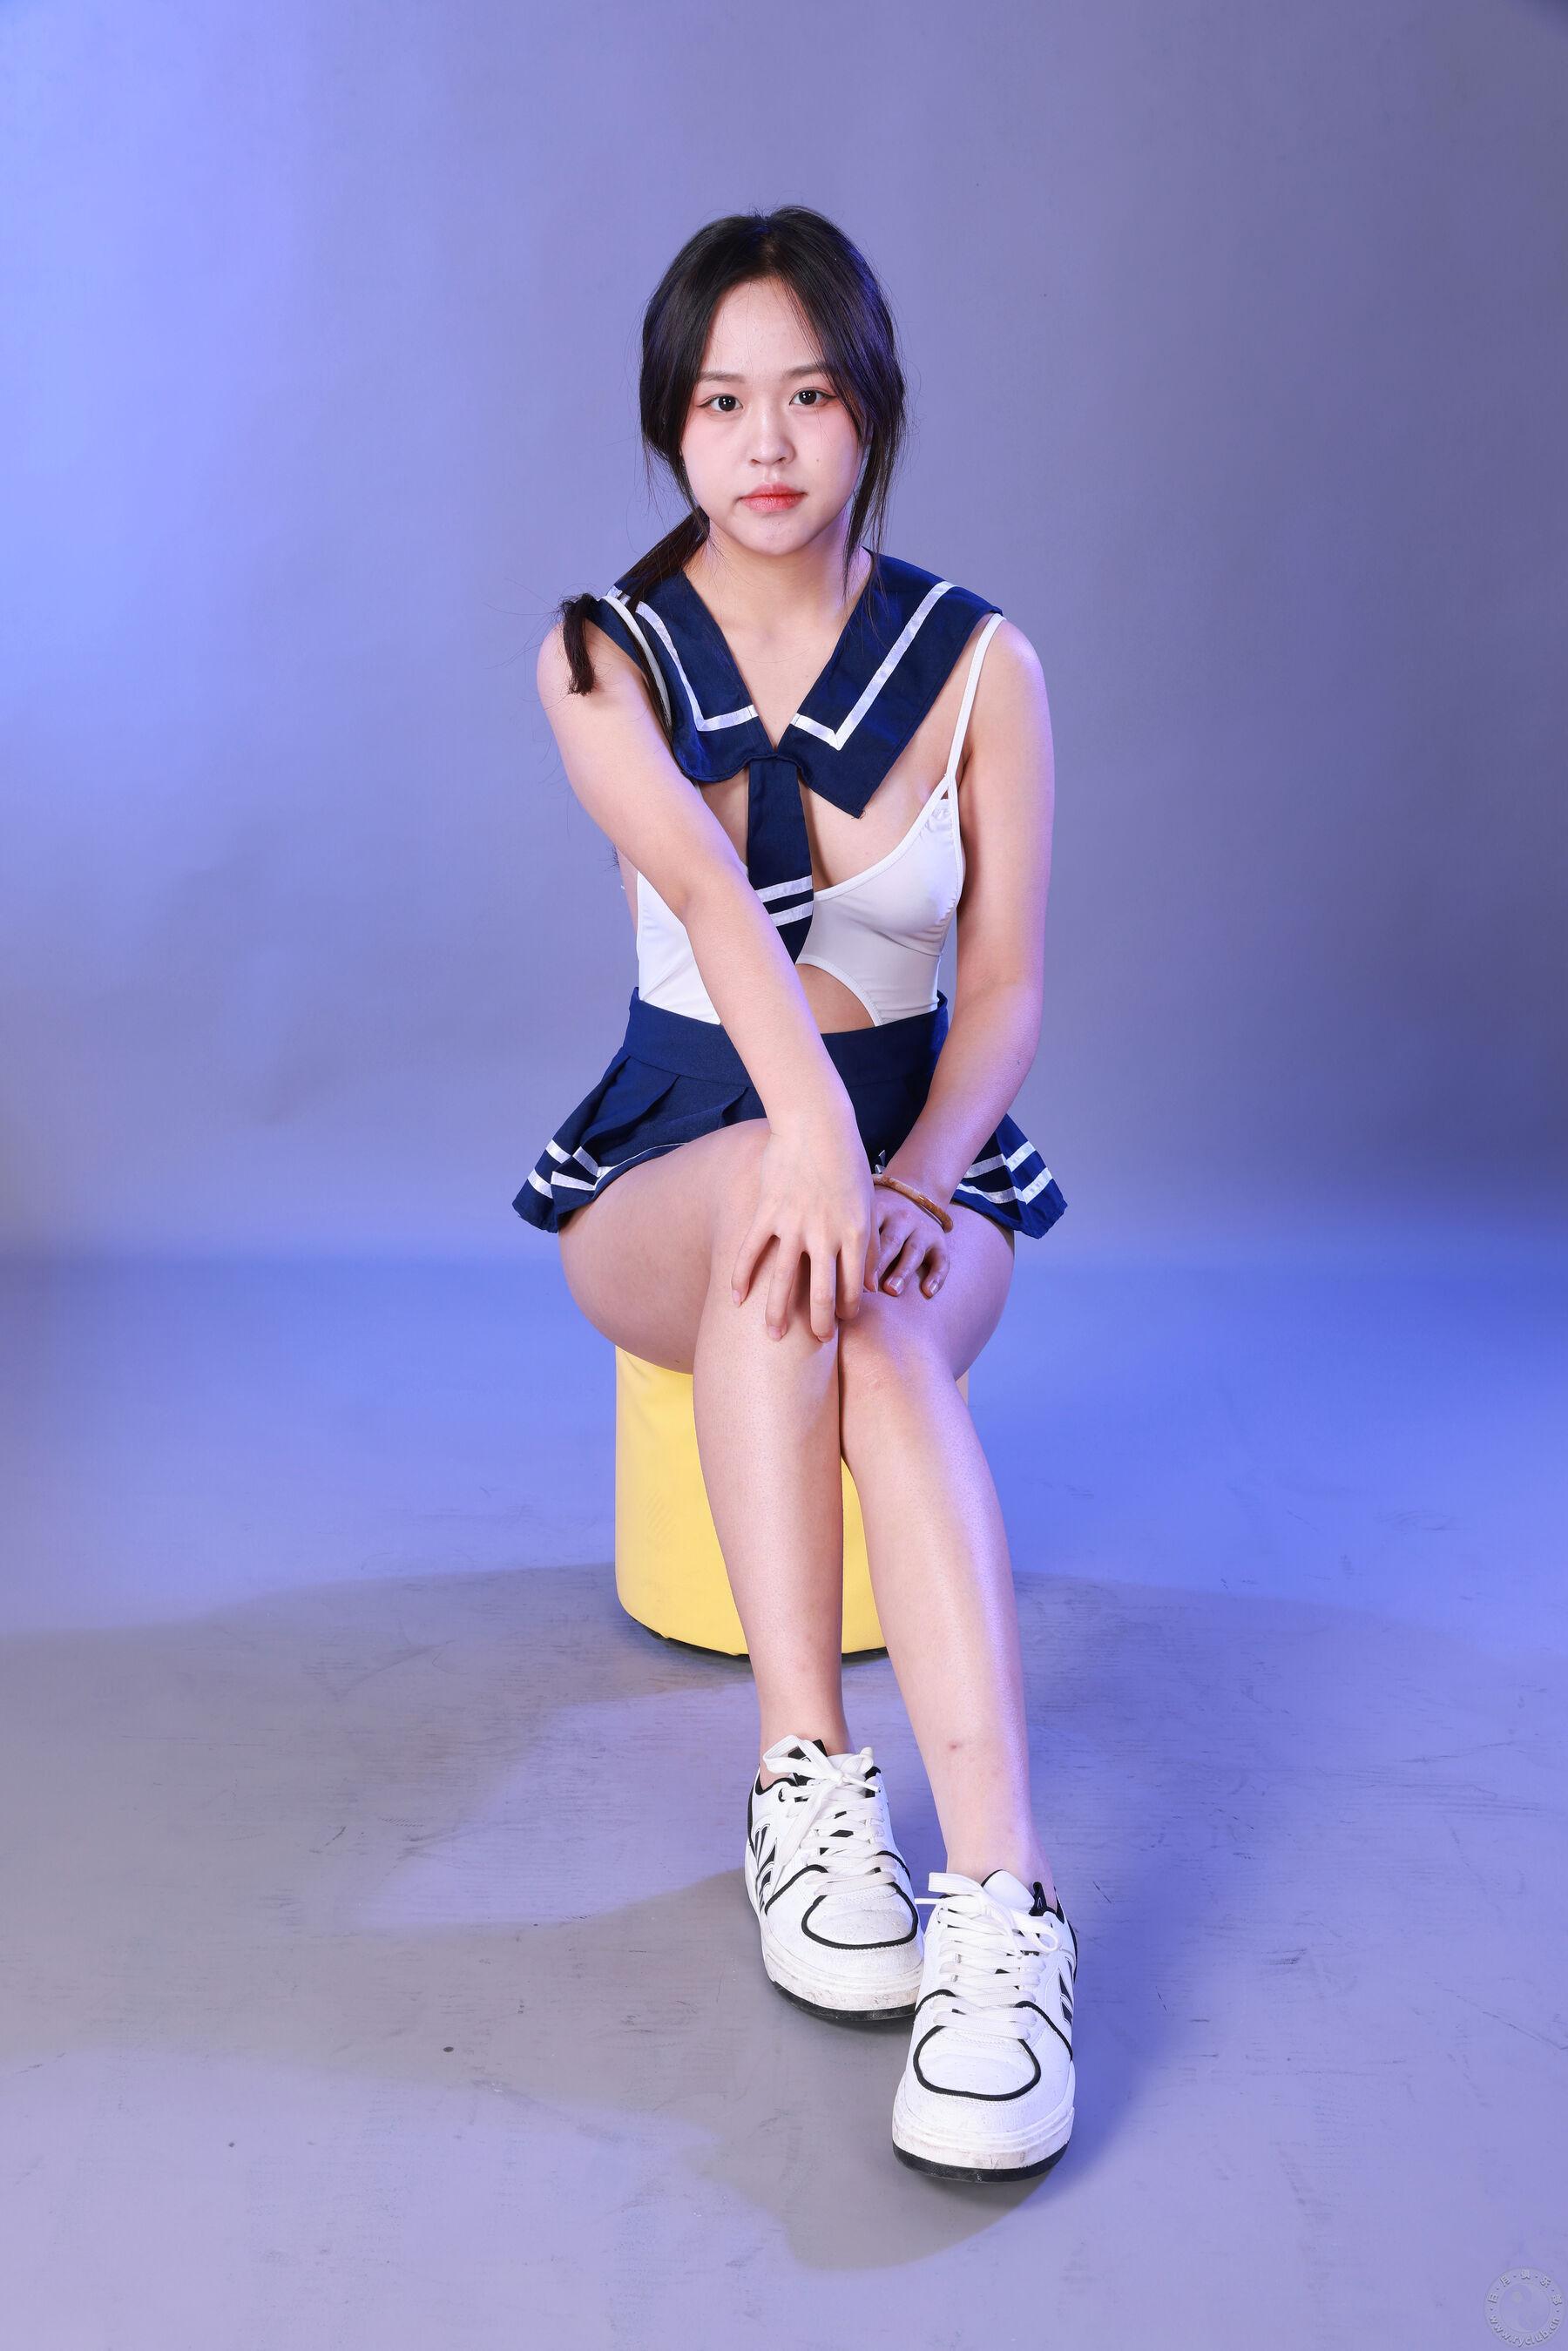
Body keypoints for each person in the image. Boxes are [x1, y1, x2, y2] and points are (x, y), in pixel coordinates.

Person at [516, 206, 1077, 2185]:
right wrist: (819, 1151)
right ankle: (808, 1782)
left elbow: (1004, 994)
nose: (764, 444)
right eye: (719, 402)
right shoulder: (601, 654)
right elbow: (710, 906)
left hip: (929, 1156)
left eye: (809, 396)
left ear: (872, 410)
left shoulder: (982, 661)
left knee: (882, 1330)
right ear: (670, 423)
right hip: (677, 1156)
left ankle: (1000, 1910)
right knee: (778, 1209)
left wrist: (909, 1174)